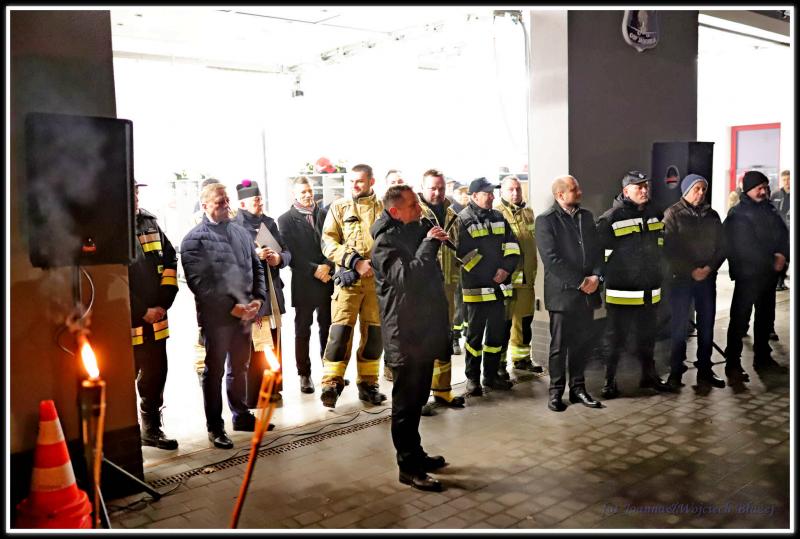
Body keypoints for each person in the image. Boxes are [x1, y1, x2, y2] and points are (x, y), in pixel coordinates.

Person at [371, 185, 450, 492]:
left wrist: (433, 240)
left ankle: (416, 454)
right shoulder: (384, 243)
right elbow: (407, 277)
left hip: (423, 330)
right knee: (405, 405)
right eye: (413, 206)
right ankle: (408, 467)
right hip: (403, 334)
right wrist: (429, 245)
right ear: (395, 211)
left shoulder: (415, 229)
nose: (420, 209)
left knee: (418, 399)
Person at [181, 183, 266, 449]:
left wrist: (258, 299)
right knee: (214, 371)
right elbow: (199, 283)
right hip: (217, 318)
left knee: (240, 367)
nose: (226, 206)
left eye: (227, 200)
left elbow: (256, 267)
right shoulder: (193, 240)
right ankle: (215, 427)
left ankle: (241, 415)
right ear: (205, 206)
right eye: (219, 202)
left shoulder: (240, 233)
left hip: (245, 314)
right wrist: (231, 307)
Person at [597, 171, 673, 398]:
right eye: (638, 187)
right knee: (615, 339)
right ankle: (609, 381)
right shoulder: (611, 218)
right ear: (626, 191)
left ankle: (649, 376)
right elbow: (599, 255)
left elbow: (661, 245)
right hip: (622, 292)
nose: (644, 190)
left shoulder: (655, 213)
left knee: (647, 338)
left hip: (649, 291)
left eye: (645, 186)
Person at [319, 164, 386, 408]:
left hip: (377, 283)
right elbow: (327, 243)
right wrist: (353, 262)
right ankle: (331, 384)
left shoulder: (385, 208)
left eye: (360, 181)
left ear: (371, 182)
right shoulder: (339, 207)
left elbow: (393, 242)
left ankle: (368, 384)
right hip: (348, 281)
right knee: (340, 333)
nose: (355, 185)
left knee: (374, 336)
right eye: (352, 181)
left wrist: (378, 266)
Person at [535, 175, 603, 411]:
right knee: (559, 347)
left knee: (581, 344)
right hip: (562, 296)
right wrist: (581, 282)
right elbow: (551, 260)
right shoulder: (546, 221)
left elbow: (597, 251)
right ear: (560, 195)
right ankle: (555, 393)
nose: (580, 192)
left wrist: (597, 277)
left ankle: (578, 389)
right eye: (575, 189)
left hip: (587, 294)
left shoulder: (586, 217)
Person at [455, 177, 519, 396]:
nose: (492, 196)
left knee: (496, 336)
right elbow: (465, 255)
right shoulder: (463, 219)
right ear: (474, 196)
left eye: (493, 193)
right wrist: (493, 274)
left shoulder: (499, 217)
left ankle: (490, 377)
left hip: (498, 289)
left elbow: (513, 246)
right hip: (477, 290)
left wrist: (506, 269)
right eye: (487, 193)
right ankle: (472, 379)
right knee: (474, 338)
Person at [723, 171, 789, 383]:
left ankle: (763, 358)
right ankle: (733, 364)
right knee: (739, 320)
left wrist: (782, 254)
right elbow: (744, 247)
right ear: (748, 189)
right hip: (748, 276)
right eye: (759, 188)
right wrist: (772, 260)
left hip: (768, 277)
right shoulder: (738, 214)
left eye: (765, 187)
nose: (764, 191)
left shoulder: (769, 209)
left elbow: (783, 234)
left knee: (765, 318)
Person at [662, 174, 726, 389]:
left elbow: (722, 247)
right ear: (686, 190)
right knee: (679, 326)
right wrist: (690, 270)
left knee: (707, 325)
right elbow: (668, 249)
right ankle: (675, 372)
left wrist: (708, 268)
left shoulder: (712, 215)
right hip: (682, 280)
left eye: (703, 189)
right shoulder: (673, 214)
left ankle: (705, 370)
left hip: (707, 279)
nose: (701, 193)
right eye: (697, 189)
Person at [129, 180, 180, 449]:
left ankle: (151, 428)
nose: (135, 197)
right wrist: (141, 311)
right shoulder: (108, 228)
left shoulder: (150, 223)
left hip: (157, 319)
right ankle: (124, 432)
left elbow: (170, 260)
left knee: (156, 373)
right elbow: (113, 279)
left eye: (137, 192)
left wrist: (163, 303)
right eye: (130, 192)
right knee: (124, 375)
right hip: (128, 322)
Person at [234, 179, 291, 406]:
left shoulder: (269, 223)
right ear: (242, 204)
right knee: (256, 346)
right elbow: (231, 262)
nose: (260, 203)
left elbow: (286, 251)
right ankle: (254, 393)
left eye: (260, 199)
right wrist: (254, 257)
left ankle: (274, 388)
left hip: (273, 292)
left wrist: (278, 259)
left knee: (274, 342)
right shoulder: (234, 227)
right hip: (252, 295)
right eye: (255, 200)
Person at [277, 177, 334, 394]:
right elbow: (291, 253)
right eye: (302, 192)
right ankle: (304, 374)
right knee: (303, 330)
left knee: (328, 327)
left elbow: (334, 242)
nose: (308, 195)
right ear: (294, 194)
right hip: (304, 281)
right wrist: (314, 269)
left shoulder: (325, 213)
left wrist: (327, 266)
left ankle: (330, 373)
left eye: (309, 190)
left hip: (327, 279)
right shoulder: (285, 220)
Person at [416, 169, 466, 414]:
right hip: (422, 289)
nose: (437, 192)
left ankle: (443, 390)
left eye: (441, 188)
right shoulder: (414, 213)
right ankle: (419, 397)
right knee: (423, 343)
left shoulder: (452, 214)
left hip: (447, 287)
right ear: (422, 188)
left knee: (444, 340)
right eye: (432, 188)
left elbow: (458, 249)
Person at [496, 175, 542, 376]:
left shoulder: (528, 213)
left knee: (524, 321)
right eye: (510, 190)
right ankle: (499, 364)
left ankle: (522, 359)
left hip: (526, 279)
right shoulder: (497, 213)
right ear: (502, 192)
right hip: (506, 279)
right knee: (503, 324)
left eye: (518, 189)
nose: (515, 193)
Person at [771, 170, 790, 292]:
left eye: (789, 179)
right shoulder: (776, 195)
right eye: (784, 180)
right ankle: (779, 281)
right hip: (778, 232)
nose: (787, 182)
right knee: (780, 256)